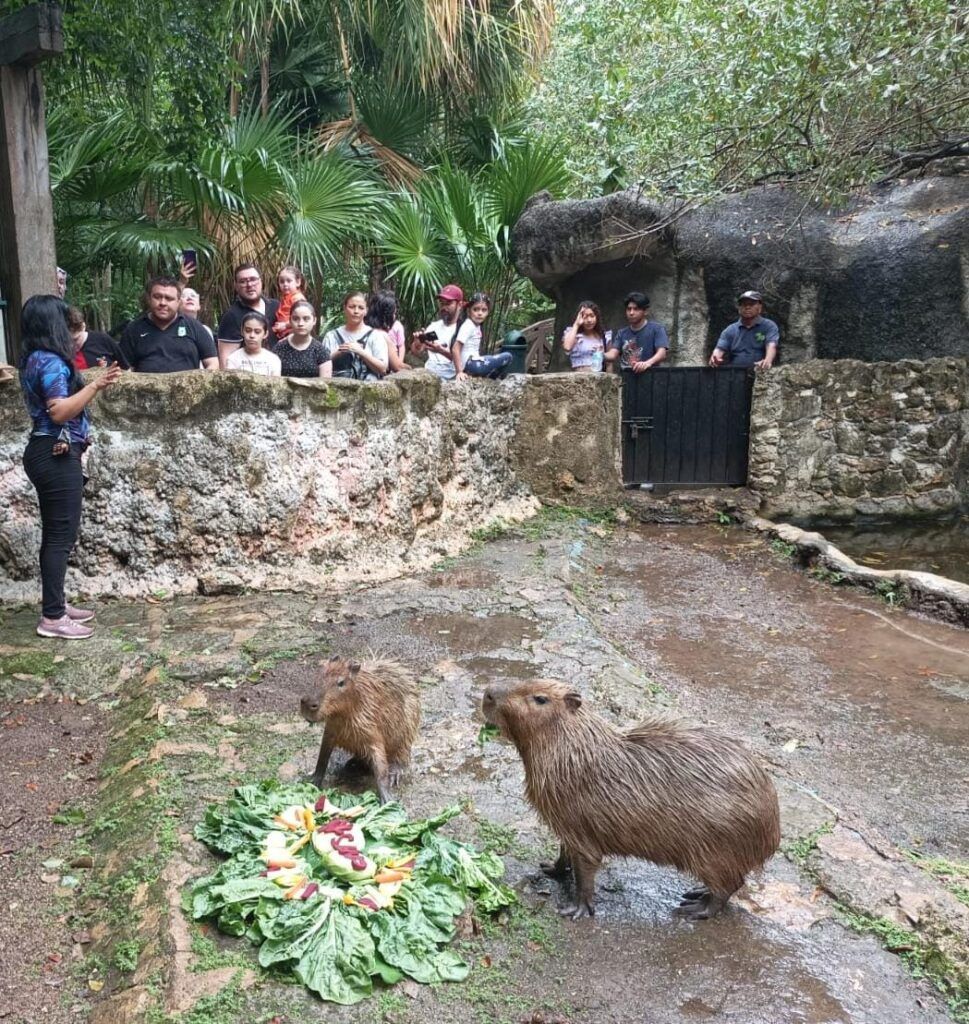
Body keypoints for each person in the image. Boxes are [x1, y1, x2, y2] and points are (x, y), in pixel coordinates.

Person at [18, 295, 122, 639]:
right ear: (53, 325)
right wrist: (95, 384)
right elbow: (60, 411)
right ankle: (52, 618)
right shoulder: (49, 361)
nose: (70, 327)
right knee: (60, 537)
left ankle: (57, 605)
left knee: (57, 535)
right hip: (55, 452)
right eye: (65, 321)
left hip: (47, 451)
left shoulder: (35, 358)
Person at [119, 277, 218, 373]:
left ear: (178, 302)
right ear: (149, 299)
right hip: (144, 388)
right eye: (157, 297)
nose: (162, 303)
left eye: (169, 298)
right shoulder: (133, 330)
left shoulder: (194, 327)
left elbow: (213, 364)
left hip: (187, 388)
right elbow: (125, 370)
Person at [215, 263, 281, 369]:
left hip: (279, 371)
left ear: (261, 281)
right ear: (236, 286)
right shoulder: (232, 316)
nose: (249, 284)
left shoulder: (276, 306)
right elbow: (225, 360)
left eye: (253, 279)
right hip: (248, 376)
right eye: (243, 281)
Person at [412, 284, 476, 382]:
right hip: (428, 374)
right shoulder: (435, 327)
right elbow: (416, 351)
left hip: (451, 378)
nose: (444, 307)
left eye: (448, 303)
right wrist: (418, 343)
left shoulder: (464, 329)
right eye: (442, 303)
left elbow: (463, 362)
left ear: (459, 305)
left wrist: (442, 351)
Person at [322, 291, 389, 380]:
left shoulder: (375, 336)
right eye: (352, 307)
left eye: (361, 308)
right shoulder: (331, 336)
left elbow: (383, 369)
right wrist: (339, 352)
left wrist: (361, 352)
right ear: (344, 308)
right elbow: (320, 365)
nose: (356, 311)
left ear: (366, 311)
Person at [710, 291, 779, 369]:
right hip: (735, 373)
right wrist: (715, 358)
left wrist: (767, 361)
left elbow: (771, 345)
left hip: (760, 371)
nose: (747, 307)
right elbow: (719, 349)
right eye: (744, 304)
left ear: (760, 307)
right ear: (739, 308)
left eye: (751, 304)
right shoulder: (730, 330)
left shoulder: (769, 326)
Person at [605, 291, 669, 373]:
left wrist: (647, 363)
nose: (631, 313)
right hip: (627, 379)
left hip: (650, 378)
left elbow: (662, 353)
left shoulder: (656, 329)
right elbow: (613, 354)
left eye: (636, 309)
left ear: (645, 311)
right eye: (629, 309)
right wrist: (599, 354)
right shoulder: (622, 333)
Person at [455, 293, 512, 379]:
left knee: (492, 358)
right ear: (468, 311)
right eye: (476, 309)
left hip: (474, 363)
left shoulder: (476, 326)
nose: (480, 313)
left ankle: (490, 379)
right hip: (471, 364)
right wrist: (459, 372)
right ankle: (492, 379)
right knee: (508, 356)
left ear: (488, 312)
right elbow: (455, 348)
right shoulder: (468, 325)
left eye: (483, 310)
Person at [273, 300, 330, 378]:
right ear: (290, 320)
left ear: (314, 320)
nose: (300, 324)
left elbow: (326, 385)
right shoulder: (279, 348)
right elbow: (274, 381)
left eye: (306, 319)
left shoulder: (321, 351)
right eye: (296, 319)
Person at [225, 312, 282, 377]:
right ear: (242, 331)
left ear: (265, 334)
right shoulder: (233, 359)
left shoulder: (273, 360)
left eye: (257, 332)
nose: (252, 335)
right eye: (248, 330)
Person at [562, 300, 611, 373]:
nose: (589, 320)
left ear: (596, 317)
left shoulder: (603, 336)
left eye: (592, 316)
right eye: (585, 317)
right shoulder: (573, 334)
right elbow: (567, 347)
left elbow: (609, 363)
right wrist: (576, 324)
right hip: (579, 378)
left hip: (599, 378)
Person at [272, 266, 307, 342]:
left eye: (289, 281)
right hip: (283, 333)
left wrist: (285, 325)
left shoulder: (297, 298)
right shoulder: (285, 298)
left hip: (294, 333)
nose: (285, 284)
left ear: (298, 282)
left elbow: (301, 318)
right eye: (282, 281)